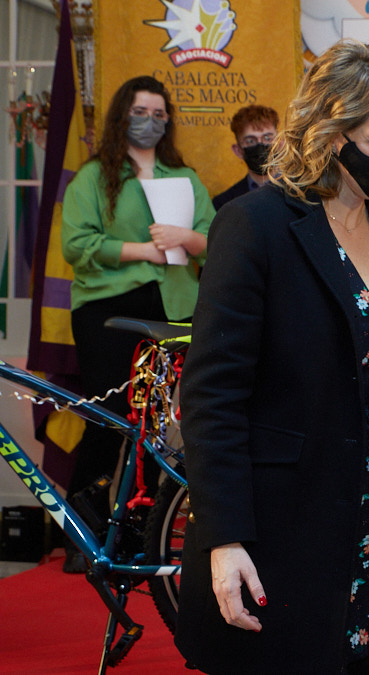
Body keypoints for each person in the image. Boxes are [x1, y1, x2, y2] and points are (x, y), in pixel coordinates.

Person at [175, 39, 369, 674]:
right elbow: (213, 396)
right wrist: (224, 536)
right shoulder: (254, 225)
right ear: (328, 132)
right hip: (279, 527)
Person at [60, 75, 213, 573]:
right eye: (139, 111)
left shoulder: (184, 176)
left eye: (158, 113)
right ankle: (82, 538)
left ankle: (142, 536)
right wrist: (142, 250)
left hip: (173, 310)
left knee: (160, 428)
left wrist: (187, 239)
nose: (149, 121)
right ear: (121, 115)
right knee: (110, 422)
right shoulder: (92, 177)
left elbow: (216, 240)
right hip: (111, 311)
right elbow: (76, 245)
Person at [211, 104, 280, 210]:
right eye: (250, 141)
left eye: (267, 138)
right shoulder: (224, 204)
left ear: (280, 144)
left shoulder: (301, 194)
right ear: (238, 150)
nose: (260, 146)